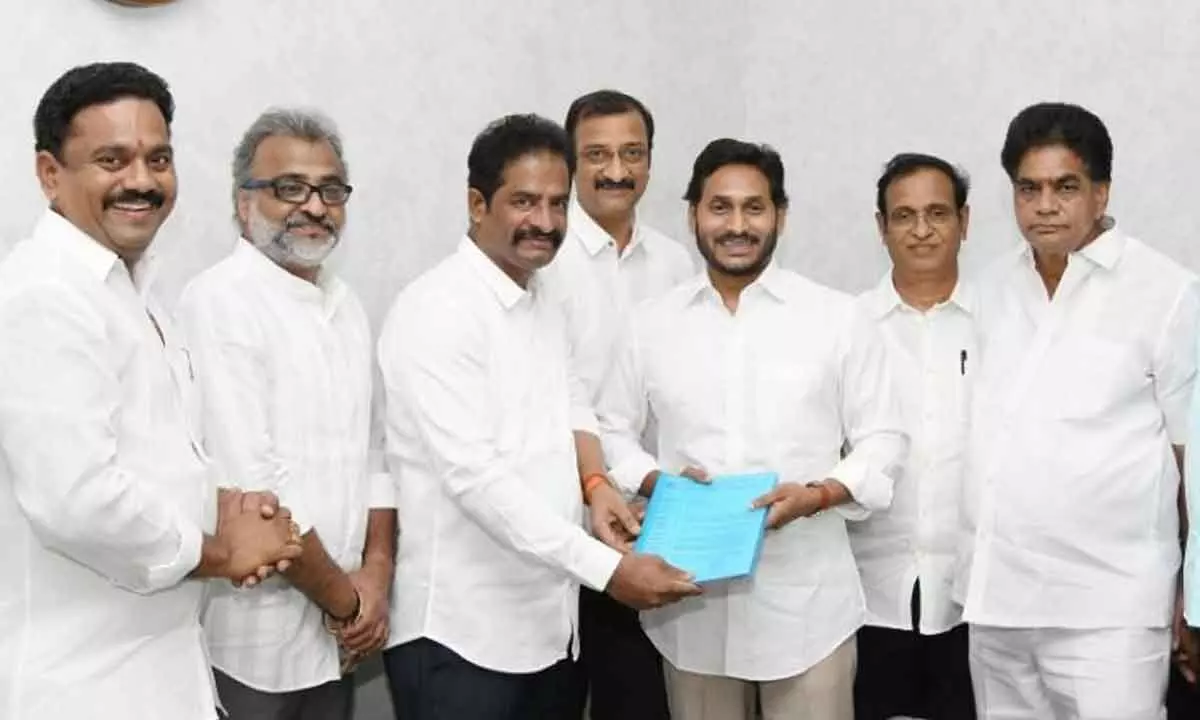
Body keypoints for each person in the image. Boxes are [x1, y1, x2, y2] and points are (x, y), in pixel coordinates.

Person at [0, 61, 301, 720]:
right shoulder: (43, 297)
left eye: (157, 158)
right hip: (81, 687)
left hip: (161, 675)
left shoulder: (137, 293)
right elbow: (77, 501)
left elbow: (152, 460)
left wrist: (227, 508)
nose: (141, 180)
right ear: (50, 174)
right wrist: (221, 552)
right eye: (112, 159)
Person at [376, 113, 701, 720]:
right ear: (477, 204)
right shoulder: (436, 311)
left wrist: (597, 484)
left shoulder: (540, 294)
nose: (546, 223)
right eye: (524, 202)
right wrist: (608, 570)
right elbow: (476, 478)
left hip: (551, 630)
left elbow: (572, 398)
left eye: (557, 203)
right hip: (462, 638)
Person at [597, 138, 907, 720]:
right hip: (690, 607)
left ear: (780, 216)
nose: (737, 225)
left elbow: (885, 437)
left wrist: (819, 495)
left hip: (809, 611)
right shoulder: (649, 325)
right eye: (719, 208)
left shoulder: (838, 319)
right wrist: (656, 482)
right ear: (693, 215)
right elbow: (610, 429)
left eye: (754, 208)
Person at [958, 102, 1200, 719]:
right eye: (1028, 189)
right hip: (997, 605)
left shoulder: (1166, 293)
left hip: (1109, 610)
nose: (1045, 206)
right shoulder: (988, 289)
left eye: (1066, 187)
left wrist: (1193, 598)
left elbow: (1189, 457)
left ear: (1101, 192)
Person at [178, 108, 397, 719]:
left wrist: (376, 575)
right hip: (256, 641)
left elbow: (376, 454)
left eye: (330, 190)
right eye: (289, 189)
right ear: (241, 202)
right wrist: (349, 605)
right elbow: (260, 491)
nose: (315, 207)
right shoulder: (220, 302)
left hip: (340, 633)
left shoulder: (345, 304)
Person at [539, 88, 693, 720]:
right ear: (573, 164)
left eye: (633, 153)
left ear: (651, 163)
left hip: (650, 525)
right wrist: (599, 480)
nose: (616, 170)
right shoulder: (543, 258)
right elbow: (555, 395)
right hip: (560, 527)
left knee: (639, 702)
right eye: (597, 154)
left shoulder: (678, 262)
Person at [850, 152, 977, 719]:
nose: (921, 231)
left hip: (975, 595)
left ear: (965, 222)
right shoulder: (845, 329)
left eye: (937, 214)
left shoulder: (1003, 323)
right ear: (881, 228)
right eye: (903, 216)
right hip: (869, 596)